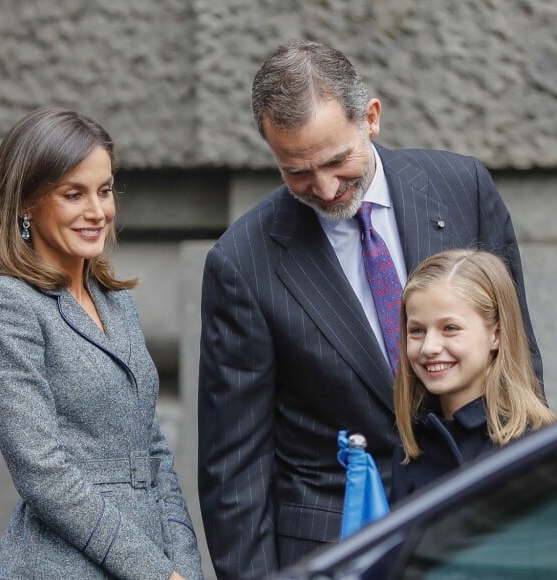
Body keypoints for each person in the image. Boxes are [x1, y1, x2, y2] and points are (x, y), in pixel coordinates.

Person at [197, 40, 543, 579]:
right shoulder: (242, 262)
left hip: (479, 528)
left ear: (371, 118)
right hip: (336, 549)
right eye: (297, 173)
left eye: (337, 161)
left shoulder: (462, 187)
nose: (327, 188)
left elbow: (520, 369)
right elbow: (234, 470)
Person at [0, 106, 203, 580]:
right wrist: (153, 572)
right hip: (61, 565)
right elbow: (44, 475)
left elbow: (154, 451)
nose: (97, 211)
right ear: (26, 203)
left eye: (104, 191)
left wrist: (184, 564)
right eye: (73, 194)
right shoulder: (5, 305)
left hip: (156, 557)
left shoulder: (116, 303)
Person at [390, 249, 555, 503]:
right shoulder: (411, 448)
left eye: (450, 328)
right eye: (417, 330)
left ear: (496, 335)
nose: (429, 347)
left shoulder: (534, 446)